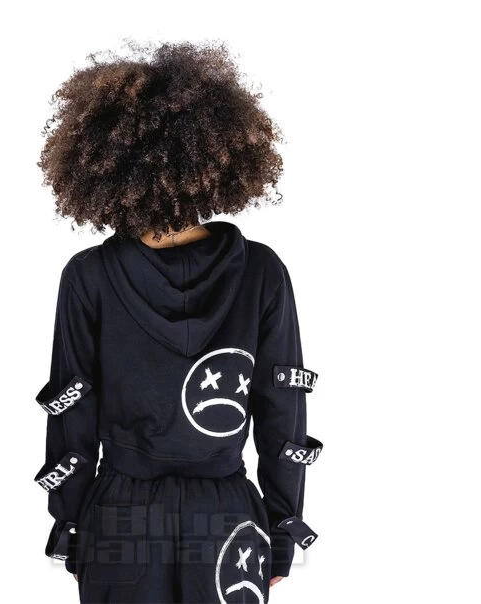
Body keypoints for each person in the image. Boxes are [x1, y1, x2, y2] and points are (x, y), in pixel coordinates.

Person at [34, 39, 321, 604]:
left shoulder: (88, 276)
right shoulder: (262, 272)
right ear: (215, 160)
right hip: (227, 518)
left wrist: (70, 527)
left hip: (120, 520)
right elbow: (282, 412)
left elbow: (72, 415)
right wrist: (285, 526)